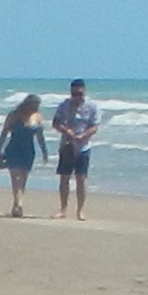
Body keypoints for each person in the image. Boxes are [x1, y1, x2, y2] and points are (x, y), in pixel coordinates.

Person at [51, 79, 99, 217]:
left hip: (83, 146)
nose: (77, 97)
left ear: (84, 92)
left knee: (81, 179)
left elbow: (95, 126)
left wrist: (83, 136)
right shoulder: (64, 105)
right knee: (64, 178)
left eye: (80, 94)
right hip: (67, 145)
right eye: (74, 94)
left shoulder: (92, 106)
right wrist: (67, 132)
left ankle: (80, 210)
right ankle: (63, 209)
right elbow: (56, 123)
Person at [0, 94, 45, 215]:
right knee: (15, 177)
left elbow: (40, 136)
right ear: (27, 104)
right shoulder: (13, 115)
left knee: (23, 178)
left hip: (28, 150)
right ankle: (18, 204)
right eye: (33, 105)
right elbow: (4, 133)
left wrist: (44, 152)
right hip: (13, 149)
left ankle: (17, 204)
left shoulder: (37, 117)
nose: (35, 108)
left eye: (37, 106)